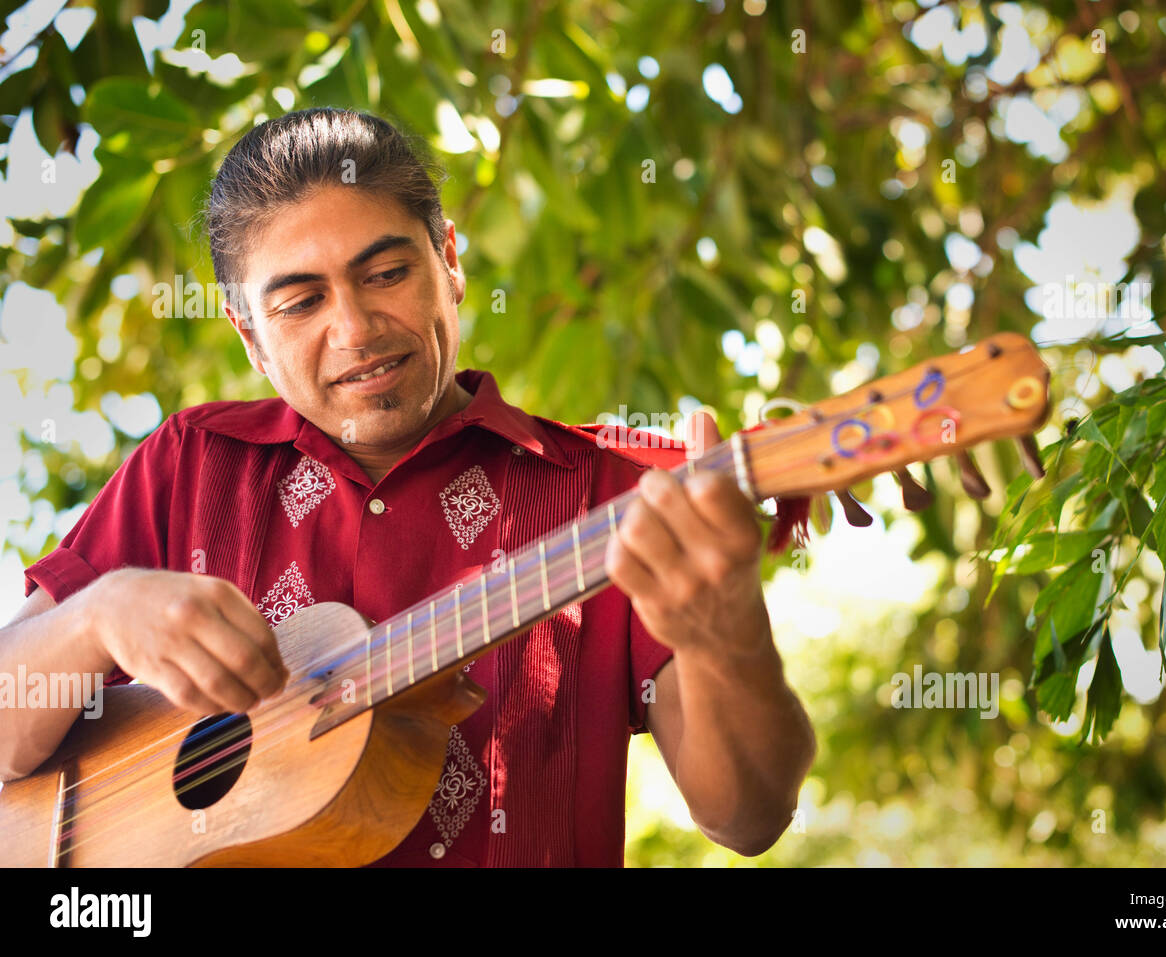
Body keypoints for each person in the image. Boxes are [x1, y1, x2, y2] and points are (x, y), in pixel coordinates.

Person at [0, 107, 815, 866]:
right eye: (300, 301)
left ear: (450, 262)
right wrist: (96, 618)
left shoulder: (622, 496)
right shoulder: (190, 465)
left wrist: (724, 628)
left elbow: (748, 817)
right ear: (250, 337)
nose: (354, 329)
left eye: (386, 272)